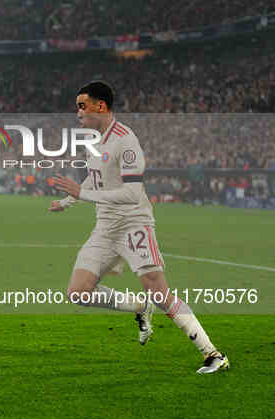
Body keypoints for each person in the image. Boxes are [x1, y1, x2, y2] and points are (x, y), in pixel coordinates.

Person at [50, 81, 228, 374]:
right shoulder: (93, 141)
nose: (78, 111)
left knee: (159, 291)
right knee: (78, 292)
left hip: (134, 223)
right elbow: (93, 180)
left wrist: (82, 195)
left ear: (101, 106)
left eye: (82, 105)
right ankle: (138, 307)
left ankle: (212, 354)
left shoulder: (125, 140)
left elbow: (132, 194)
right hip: (105, 226)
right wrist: (67, 202)